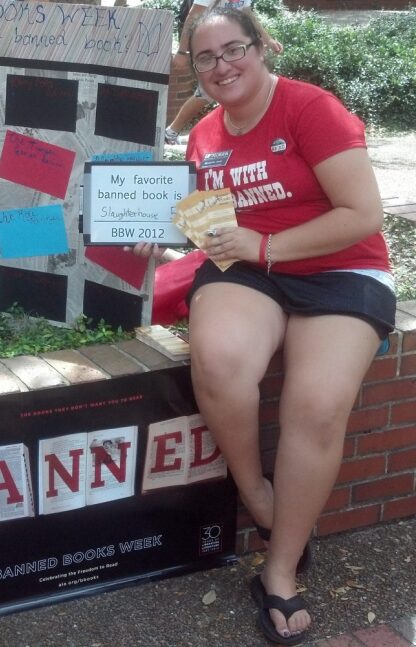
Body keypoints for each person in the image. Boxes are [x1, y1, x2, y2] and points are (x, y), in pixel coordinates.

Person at [138, 8, 394, 645]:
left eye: (234, 50)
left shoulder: (312, 109)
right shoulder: (204, 134)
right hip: (249, 269)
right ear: (192, 69)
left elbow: (363, 213)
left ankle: (279, 569)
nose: (222, 66)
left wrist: (267, 246)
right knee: (219, 357)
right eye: (206, 58)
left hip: (340, 268)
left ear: (263, 47)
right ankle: (257, 494)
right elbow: (215, 229)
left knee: (317, 402)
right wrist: (161, 239)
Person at [164, 0, 282, 145]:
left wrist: (267, 39)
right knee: (206, 94)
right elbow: (193, 17)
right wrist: (182, 52)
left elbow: (246, 13)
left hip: (233, 47)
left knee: (238, 89)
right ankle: (171, 131)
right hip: (212, 46)